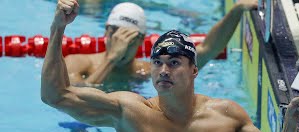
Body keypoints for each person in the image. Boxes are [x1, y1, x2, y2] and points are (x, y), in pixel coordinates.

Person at [41, 1, 299, 132]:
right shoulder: (130, 113)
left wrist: (290, 123)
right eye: (157, 63)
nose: (163, 70)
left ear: (194, 70)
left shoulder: (226, 116)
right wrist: (57, 28)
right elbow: (55, 95)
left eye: (174, 63)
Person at [65, 0, 258, 86]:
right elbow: (75, 99)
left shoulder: (148, 71)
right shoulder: (77, 62)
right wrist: (112, 60)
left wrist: (236, 11)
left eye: (128, 37)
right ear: (105, 31)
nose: (120, 42)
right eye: (115, 34)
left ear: (141, 40)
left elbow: (207, 49)